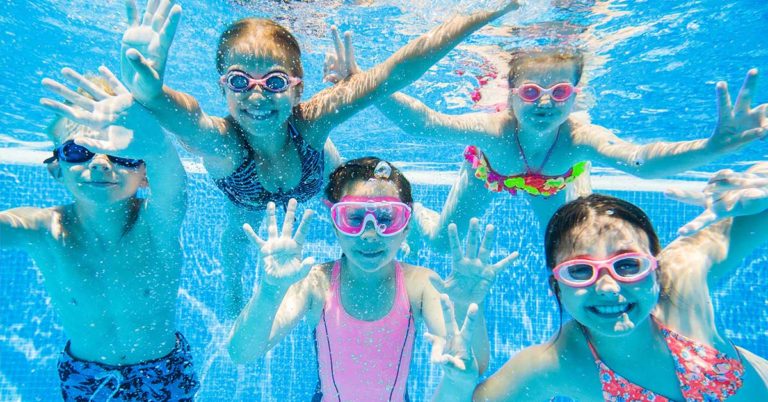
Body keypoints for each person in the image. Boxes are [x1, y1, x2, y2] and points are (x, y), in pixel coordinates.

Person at [118, 0, 522, 315]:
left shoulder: (310, 122)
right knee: (237, 235)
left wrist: (479, 15)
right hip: (246, 196)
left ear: (297, 89)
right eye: (240, 81)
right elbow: (186, 117)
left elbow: (393, 73)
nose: (256, 96)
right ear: (223, 87)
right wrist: (151, 92)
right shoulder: (223, 143)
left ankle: (404, 237)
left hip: (317, 170)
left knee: (361, 196)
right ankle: (232, 286)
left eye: (274, 82)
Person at [324, 42, 768, 251]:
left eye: (559, 94)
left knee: (575, 249)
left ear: (575, 96)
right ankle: (415, 212)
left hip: (557, 184)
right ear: (512, 91)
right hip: (489, 174)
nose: (544, 104)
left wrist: (712, 146)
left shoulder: (578, 137)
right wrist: (362, 82)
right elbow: (425, 124)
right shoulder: (494, 130)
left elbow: (639, 161)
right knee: (441, 243)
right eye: (532, 92)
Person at [429, 166, 768, 401]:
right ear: (556, 285)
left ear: (656, 267)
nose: (607, 287)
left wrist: (762, 189)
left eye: (628, 265)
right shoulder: (557, 364)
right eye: (580, 271)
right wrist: (458, 381)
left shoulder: (683, 276)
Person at [227, 157, 517, 401]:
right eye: (353, 218)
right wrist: (270, 289)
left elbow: (473, 364)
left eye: (386, 218)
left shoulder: (420, 284)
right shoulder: (316, 283)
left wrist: (466, 304)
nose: (369, 234)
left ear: (405, 228)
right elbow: (242, 352)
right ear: (335, 226)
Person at [0, 67, 197, 401]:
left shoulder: (156, 224)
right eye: (78, 151)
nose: (103, 163)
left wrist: (153, 138)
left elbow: (174, 187)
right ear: (56, 168)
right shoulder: (42, 229)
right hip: (87, 378)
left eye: (123, 154)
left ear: (145, 173)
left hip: (163, 372)